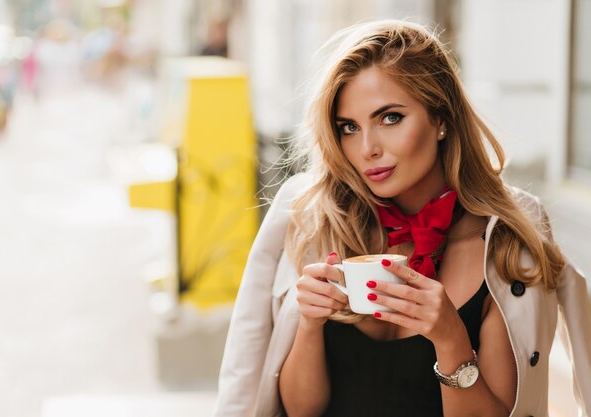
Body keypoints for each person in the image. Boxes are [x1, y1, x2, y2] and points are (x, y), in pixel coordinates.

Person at [214, 20, 591, 417]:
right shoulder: (322, 224)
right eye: (349, 127)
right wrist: (308, 324)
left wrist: (450, 339)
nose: (367, 149)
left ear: (441, 118)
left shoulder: (502, 249)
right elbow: (300, 409)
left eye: (390, 118)